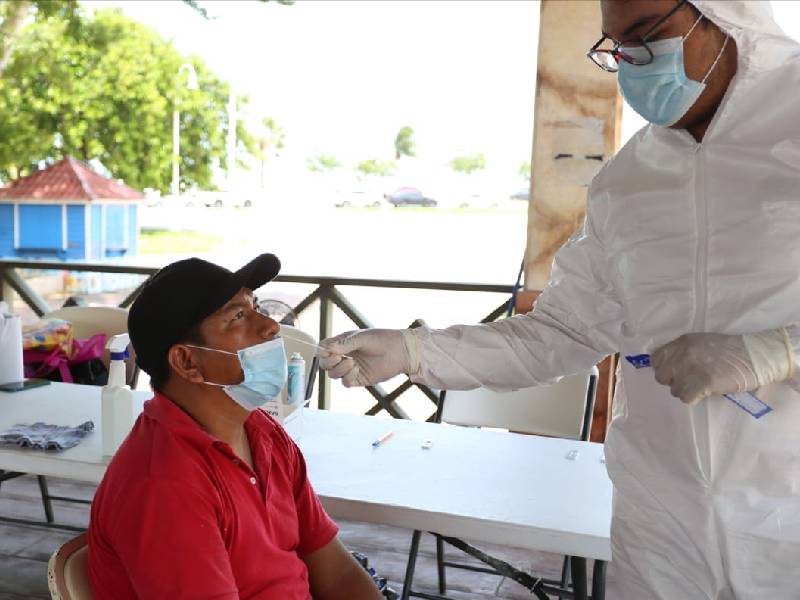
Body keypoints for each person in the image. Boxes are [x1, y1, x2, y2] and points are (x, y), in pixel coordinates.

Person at [319, 1, 800, 598]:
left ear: (727, 14)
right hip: (662, 515)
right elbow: (564, 333)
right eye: (616, 47)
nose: (632, 63)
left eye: (646, 36)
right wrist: (416, 351)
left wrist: (778, 352)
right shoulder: (631, 181)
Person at [88, 254, 382, 600]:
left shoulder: (263, 432)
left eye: (255, 305)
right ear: (187, 361)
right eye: (238, 316)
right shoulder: (164, 485)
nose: (269, 325)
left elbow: (338, 573)